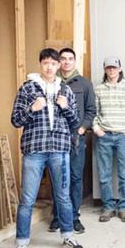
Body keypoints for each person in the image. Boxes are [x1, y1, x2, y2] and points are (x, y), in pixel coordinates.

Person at [11, 48, 83, 248]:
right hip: (35, 149)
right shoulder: (28, 88)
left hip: (60, 149)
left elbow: (75, 122)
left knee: (63, 196)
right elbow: (15, 119)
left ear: (59, 65)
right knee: (28, 199)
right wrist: (32, 108)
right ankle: (21, 243)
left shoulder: (65, 89)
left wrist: (65, 107)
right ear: (41, 65)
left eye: (54, 63)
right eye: (46, 63)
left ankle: (68, 236)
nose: (50, 67)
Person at [48, 48, 96, 234]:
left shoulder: (84, 83)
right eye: (63, 59)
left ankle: (74, 217)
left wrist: (82, 128)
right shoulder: (52, 83)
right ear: (59, 62)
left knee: (75, 178)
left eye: (70, 59)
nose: (67, 62)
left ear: (75, 62)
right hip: (55, 139)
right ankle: (57, 217)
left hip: (76, 138)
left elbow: (91, 110)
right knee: (57, 179)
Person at [93, 56, 125, 222]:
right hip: (104, 136)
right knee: (104, 174)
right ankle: (108, 207)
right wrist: (96, 128)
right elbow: (94, 111)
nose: (111, 70)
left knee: (124, 174)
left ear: (120, 69)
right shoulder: (99, 90)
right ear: (105, 70)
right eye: (108, 68)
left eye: (114, 67)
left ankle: (124, 207)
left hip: (123, 137)